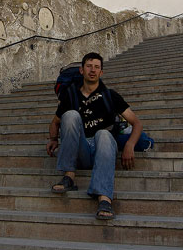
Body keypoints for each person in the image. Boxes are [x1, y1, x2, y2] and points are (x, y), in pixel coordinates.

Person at [45, 52, 142, 220]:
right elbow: (55, 122)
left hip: (102, 148)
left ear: (101, 73)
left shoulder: (110, 96)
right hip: (80, 150)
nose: (93, 70)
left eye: (97, 67)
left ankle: (104, 198)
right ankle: (69, 177)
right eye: (89, 66)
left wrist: (130, 145)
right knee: (70, 116)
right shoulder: (71, 95)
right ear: (82, 70)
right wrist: (53, 139)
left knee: (103, 133)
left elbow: (137, 123)